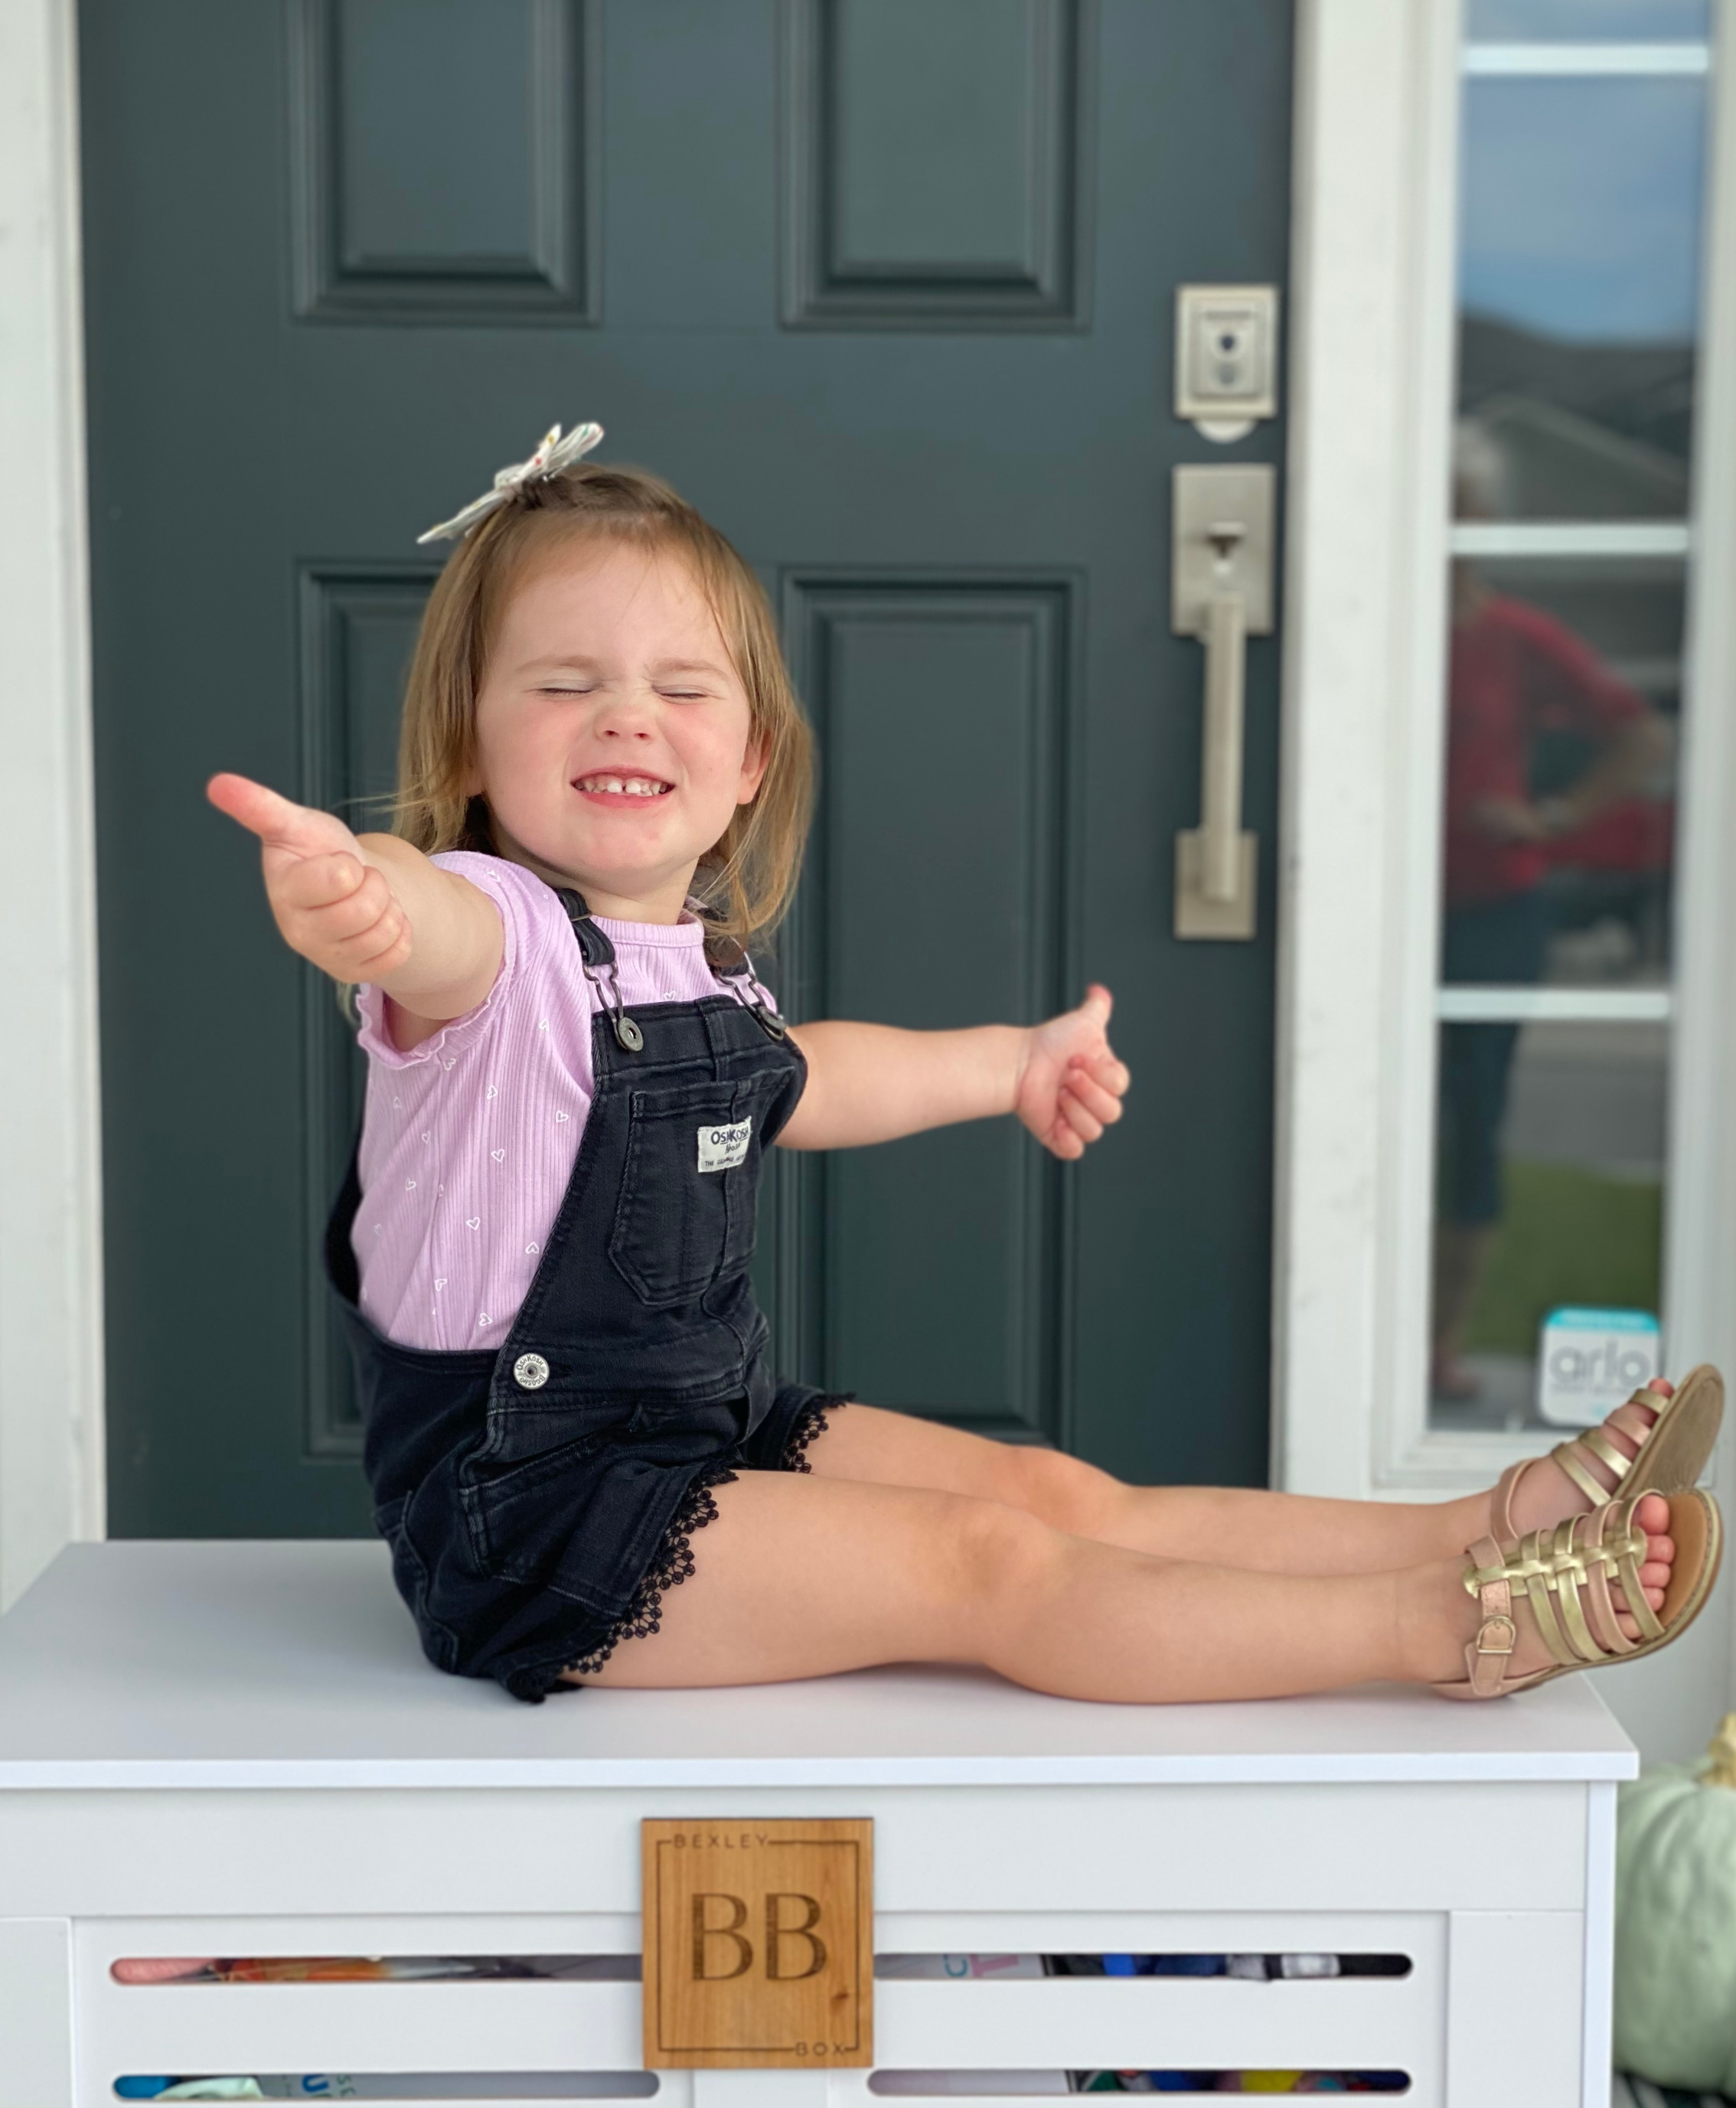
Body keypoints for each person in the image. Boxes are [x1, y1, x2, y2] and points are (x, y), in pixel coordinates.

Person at [210, 426, 1720, 1708]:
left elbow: (811, 1078)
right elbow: (422, 927)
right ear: (470, 744)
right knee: (991, 1570)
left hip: (698, 1431)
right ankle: (1450, 1631)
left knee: (1053, 1493)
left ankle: (1481, 1524)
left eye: (684, 685)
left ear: (747, 768)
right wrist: (357, 898)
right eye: (560, 683)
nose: (625, 713)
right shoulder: (501, 939)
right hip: (532, 1524)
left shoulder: (698, 961)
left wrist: (1011, 1062)